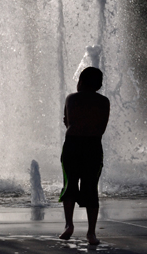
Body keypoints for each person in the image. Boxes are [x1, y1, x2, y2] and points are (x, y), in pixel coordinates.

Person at [59, 67, 110, 245]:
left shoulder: (71, 98)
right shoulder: (104, 101)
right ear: (99, 84)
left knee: (69, 185)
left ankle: (68, 225)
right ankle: (91, 233)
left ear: (81, 81)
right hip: (93, 146)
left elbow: (68, 122)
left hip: (72, 145)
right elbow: (102, 127)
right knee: (91, 187)